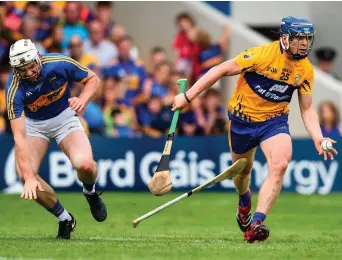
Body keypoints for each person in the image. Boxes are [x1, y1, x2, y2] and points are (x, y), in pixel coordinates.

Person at [171, 17, 338, 243]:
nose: (303, 44)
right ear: (285, 39)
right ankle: (244, 200)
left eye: (307, 39)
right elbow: (219, 70)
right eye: (299, 38)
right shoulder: (260, 56)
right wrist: (188, 96)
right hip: (242, 121)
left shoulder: (305, 70)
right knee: (242, 171)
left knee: (280, 164)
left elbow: (307, 109)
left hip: (274, 122)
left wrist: (318, 137)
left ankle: (257, 223)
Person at [5, 39, 107, 239]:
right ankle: (64, 218)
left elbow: (93, 79)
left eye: (31, 66)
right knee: (27, 176)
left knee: (86, 166)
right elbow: (19, 135)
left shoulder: (59, 62)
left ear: (38, 58)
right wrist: (28, 177)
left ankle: (90, 192)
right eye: (22, 69)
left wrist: (82, 100)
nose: (28, 73)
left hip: (65, 118)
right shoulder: (14, 88)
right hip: (34, 126)